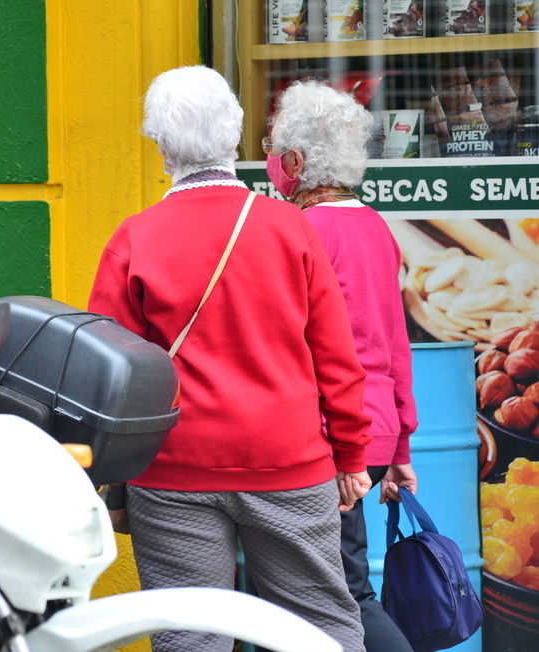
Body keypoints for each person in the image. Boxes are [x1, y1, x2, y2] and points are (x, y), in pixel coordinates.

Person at [87, 64, 373, 652]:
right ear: (238, 136)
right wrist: (351, 454)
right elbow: (336, 358)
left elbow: (107, 376)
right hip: (290, 464)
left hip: (173, 472)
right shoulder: (291, 230)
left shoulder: (134, 238)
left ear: (161, 145)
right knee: (319, 627)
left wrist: (111, 482)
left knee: (192, 636)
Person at [267, 80, 419, 652]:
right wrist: (399, 451)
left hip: (333, 439)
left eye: (274, 147)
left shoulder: (303, 231)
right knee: (340, 592)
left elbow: (303, 348)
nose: (270, 161)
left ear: (298, 161)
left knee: (344, 599)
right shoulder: (376, 227)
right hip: (373, 432)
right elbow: (394, 343)